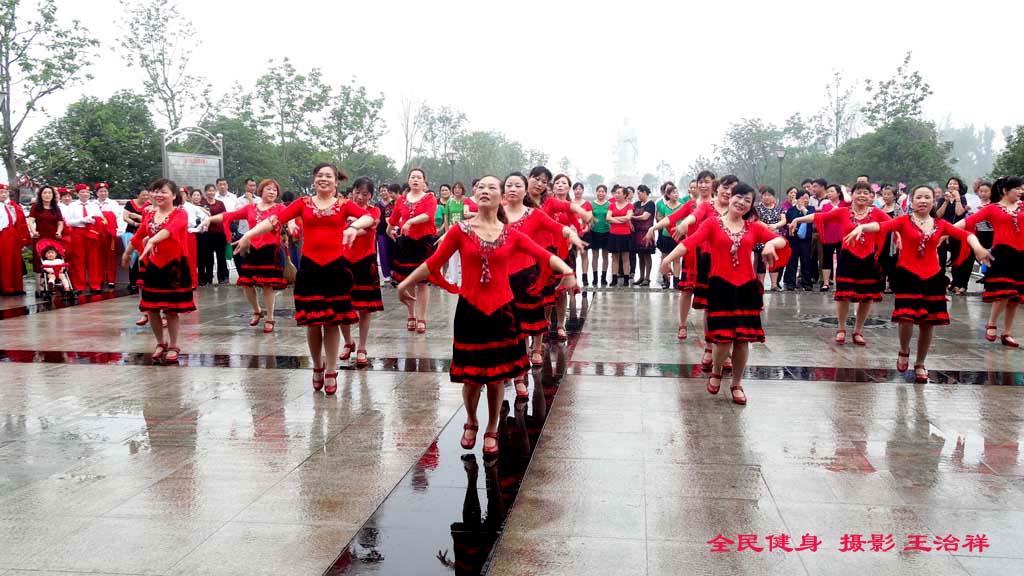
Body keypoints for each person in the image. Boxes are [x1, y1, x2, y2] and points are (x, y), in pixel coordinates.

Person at [397, 175, 576, 456]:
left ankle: (492, 427)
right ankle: (471, 419)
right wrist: (404, 284)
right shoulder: (459, 231)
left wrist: (567, 271)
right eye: (481, 187)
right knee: (471, 379)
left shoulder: (511, 234)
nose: (485, 191)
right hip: (470, 311)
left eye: (492, 187)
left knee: (496, 377)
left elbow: (543, 255)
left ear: (500, 197)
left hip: (502, 312)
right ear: (475, 194)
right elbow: (433, 262)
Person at [235, 164, 375, 394]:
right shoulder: (303, 203)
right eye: (319, 175)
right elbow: (274, 220)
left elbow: (370, 217)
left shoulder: (343, 204)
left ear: (336, 182)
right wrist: (248, 234)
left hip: (335, 269)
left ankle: (331, 369)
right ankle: (317, 366)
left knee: (332, 323)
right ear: (314, 180)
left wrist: (352, 227)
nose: (323, 179)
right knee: (313, 323)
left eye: (328, 176)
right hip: (310, 269)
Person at [660, 182, 789, 404]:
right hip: (720, 287)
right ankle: (717, 370)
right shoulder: (712, 224)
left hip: (746, 288)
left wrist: (771, 245)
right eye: (738, 197)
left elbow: (781, 240)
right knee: (723, 339)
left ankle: (737, 383)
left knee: (742, 340)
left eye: (747, 200)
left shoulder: (753, 227)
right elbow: (690, 242)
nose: (741, 202)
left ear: (750, 206)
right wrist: (667, 259)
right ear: (730, 198)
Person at [845, 185, 990, 382]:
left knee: (928, 323)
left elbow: (967, 235)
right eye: (919, 197)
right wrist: (862, 227)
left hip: (933, 278)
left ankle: (920, 363)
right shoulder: (903, 221)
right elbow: (880, 226)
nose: (923, 200)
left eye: (927, 197)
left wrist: (978, 247)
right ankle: (904, 350)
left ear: (933, 202)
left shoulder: (940, 224)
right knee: (906, 318)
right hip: (907, 275)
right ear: (911, 202)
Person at [503, 172, 585, 377]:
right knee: (512, 316)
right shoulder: (498, 212)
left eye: (517, 186)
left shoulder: (535, 213)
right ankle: (520, 358)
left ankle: (537, 348)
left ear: (524, 190)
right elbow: (476, 224)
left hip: (532, 269)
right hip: (504, 272)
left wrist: (573, 232)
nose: (513, 189)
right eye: (509, 185)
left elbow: (559, 226)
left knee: (535, 310)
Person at [789, 182, 891, 345]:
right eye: (859, 192)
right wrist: (798, 219)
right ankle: (841, 329)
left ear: (871, 196)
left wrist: (900, 235)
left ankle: (858, 331)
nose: (862, 195)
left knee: (866, 298)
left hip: (868, 260)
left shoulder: (877, 213)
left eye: (866, 193)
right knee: (844, 296)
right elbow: (820, 217)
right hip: (847, 258)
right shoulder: (843, 212)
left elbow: (893, 224)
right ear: (852, 195)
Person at [121, 178, 196, 364]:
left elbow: (170, 230)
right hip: (154, 266)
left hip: (174, 267)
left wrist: (153, 240)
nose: (158, 195)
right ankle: (160, 343)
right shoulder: (149, 214)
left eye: (163, 191)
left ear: (173, 195)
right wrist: (127, 252)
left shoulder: (180, 213)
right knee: (152, 309)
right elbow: (139, 235)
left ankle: (173, 345)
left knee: (171, 310)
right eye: (155, 191)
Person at [204, 179, 285, 332]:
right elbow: (229, 215)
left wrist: (292, 226)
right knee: (247, 283)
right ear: (261, 191)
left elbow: (291, 218)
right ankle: (257, 310)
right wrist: (210, 219)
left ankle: (270, 318)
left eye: (275, 190)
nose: (272, 192)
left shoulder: (280, 208)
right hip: (251, 248)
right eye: (268, 189)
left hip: (270, 249)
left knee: (267, 285)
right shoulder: (250, 208)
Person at [957, 176, 1023, 347]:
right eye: (1017, 189)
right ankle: (992, 322)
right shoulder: (992, 209)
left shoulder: (1023, 206)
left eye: (1022, 189)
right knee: (1004, 291)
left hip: (1020, 255)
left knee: (1015, 297)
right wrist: (940, 232)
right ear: (1005, 190)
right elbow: (966, 222)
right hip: (1001, 254)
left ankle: (1007, 333)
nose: (1021, 192)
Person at [388, 168, 439, 334]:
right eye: (413, 177)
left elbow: (428, 215)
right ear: (408, 180)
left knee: (423, 282)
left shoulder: (429, 198)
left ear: (424, 181)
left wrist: (410, 222)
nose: (416, 180)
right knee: (408, 280)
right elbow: (393, 219)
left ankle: (421, 318)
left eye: (419, 177)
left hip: (424, 243)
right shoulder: (401, 200)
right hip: (406, 243)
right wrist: (389, 230)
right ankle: (411, 314)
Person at [341, 177, 385, 367]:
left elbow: (366, 229)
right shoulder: (343, 208)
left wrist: (350, 227)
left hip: (365, 261)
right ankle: (348, 342)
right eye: (357, 192)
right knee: (342, 304)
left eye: (365, 194)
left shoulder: (374, 211)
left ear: (371, 196)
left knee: (365, 308)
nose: (360, 197)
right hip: (344, 260)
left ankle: (362, 347)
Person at [937, 177, 973, 295]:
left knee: (956, 258)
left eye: (955, 184)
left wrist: (957, 199)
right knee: (941, 258)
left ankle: (956, 284)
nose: (952, 186)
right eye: (950, 184)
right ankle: (939, 282)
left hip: (957, 231)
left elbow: (959, 213)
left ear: (959, 187)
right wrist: (946, 201)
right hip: (942, 232)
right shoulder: (942, 199)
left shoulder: (962, 198)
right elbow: (938, 215)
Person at [0, 183, 31, 295]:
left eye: (5, 192)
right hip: (3, 233)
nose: (4, 194)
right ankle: (7, 287)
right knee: (6, 261)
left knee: (16, 261)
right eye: (1, 193)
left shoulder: (11, 206)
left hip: (13, 233)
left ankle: (17, 287)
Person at [27, 185, 65, 274]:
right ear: (40, 195)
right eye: (45, 193)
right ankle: (40, 282)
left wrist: (59, 232)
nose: (47, 195)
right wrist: (33, 231)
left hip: (54, 237)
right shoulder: (35, 207)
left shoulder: (56, 207)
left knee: (55, 259)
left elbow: (60, 222)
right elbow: (31, 220)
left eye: (49, 193)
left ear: (53, 195)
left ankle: (56, 279)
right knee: (39, 261)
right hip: (40, 237)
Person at [754, 187, 786, 290]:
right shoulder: (757, 208)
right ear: (761, 196)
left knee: (774, 261)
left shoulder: (779, 208)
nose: (767, 197)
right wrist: (767, 227)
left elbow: (783, 220)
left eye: (769, 195)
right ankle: (760, 285)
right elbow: (755, 220)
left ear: (773, 197)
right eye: (765, 195)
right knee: (761, 262)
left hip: (775, 238)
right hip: (761, 238)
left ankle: (774, 285)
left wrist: (775, 226)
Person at [783, 190, 816, 291]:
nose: (806, 200)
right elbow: (786, 223)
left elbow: (811, 219)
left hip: (805, 239)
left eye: (807, 198)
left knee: (806, 260)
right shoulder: (791, 210)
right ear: (798, 199)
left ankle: (807, 283)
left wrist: (803, 209)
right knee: (792, 260)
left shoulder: (811, 209)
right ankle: (790, 282)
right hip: (793, 238)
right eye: (803, 198)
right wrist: (789, 225)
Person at [816, 184, 846, 292]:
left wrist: (844, 190)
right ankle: (826, 283)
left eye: (832, 191)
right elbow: (823, 219)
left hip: (842, 235)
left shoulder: (844, 204)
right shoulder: (825, 206)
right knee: (827, 259)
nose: (829, 193)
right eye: (828, 192)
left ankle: (841, 282)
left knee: (842, 259)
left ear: (838, 193)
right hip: (828, 235)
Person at [93, 182, 122, 289]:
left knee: (111, 257)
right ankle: (99, 279)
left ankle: (111, 280)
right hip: (97, 233)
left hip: (110, 234)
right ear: (97, 193)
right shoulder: (93, 204)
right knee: (98, 258)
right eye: (101, 191)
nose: (103, 193)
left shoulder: (113, 204)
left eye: (105, 191)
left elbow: (117, 217)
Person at [121, 188, 150, 293]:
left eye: (147, 195)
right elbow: (125, 217)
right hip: (131, 232)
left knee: (142, 256)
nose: (145, 197)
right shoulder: (130, 204)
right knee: (132, 257)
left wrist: (137, 217)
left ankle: (143, 280)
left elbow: (149, 219)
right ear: (138, 195)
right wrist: (135, 223)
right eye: (143, 195)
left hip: (144, 233)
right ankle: (132, 282)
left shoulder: (149, 205)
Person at [654, 182, 683, 289]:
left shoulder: (682, 206)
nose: (676, 194)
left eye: (677, 192)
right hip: (666, 235)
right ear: (668, 195)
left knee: (677, 259)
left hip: (677, 236)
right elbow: (659, 218)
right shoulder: (664, 206)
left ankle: (676, 280)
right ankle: (666, 281)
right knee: (666, 259)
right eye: (673, 193)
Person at [200, 184, 229, 285]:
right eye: (209, 190)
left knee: (221, 257)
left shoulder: (220, 203)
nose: (211, 192)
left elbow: (225, 216)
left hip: (220, 233)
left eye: (213, 190)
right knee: (208, 258)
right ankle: (209, 278)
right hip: (207, 234)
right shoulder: (202, 203)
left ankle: (222, 278)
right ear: (205, 192)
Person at [606, 185, 634, 286]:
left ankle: (626, 279)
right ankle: (614, 278)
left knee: (626, 258)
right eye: (615, 193)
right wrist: (622, 219)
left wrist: (614, 219)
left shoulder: (629, 206)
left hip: (625, 234)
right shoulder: (612, 205)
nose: (616, 195)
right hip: (613, 234)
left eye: (619, 193)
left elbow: (628, 217)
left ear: (625, 195)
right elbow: (608, 218)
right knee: (615, 258)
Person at [631, 184, 656, 286]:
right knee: (640, 255)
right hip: (637, 233)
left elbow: (645, 217)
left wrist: (632, 217)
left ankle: (647, 278)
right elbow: (630, 212)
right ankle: (641, 277)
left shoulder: (651, 204)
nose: (638, 195)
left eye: (639, 193)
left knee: (647, 255)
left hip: (647, 233)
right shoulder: (636, 203)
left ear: (645, 192)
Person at [571, 182, 593, 286]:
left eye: (580, 189)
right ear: (573, 190)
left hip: (585, 233)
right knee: (573, 256)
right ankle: (573, 276)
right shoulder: (570, 202)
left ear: (583, 190)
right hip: (572, 234)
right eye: (576, 189)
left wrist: (586, 229)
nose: (578, 191)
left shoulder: (587, 204)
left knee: (584, 255)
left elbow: (590, 219)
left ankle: (585, 277)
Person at [588, 184, 611, 286]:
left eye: (603, 191)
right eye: (599, 191)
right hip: (594, 232)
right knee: (595, 256)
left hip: (607, 232)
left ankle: (603, 277)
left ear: (606, 193)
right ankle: (595, 277)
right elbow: (589, 217)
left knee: (605, 256)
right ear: (596, 192)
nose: (601, 193)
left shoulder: (609, 205)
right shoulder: (591, 204)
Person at [375, 184, 396, 282]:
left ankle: (394, 271)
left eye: (385, 190)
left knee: (393, 251)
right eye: (381, 191)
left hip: (392, 231)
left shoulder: (394, 203)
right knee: (383, 252)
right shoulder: (377, 205)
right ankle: (386, 274)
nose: (384, 192)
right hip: (381, 232)